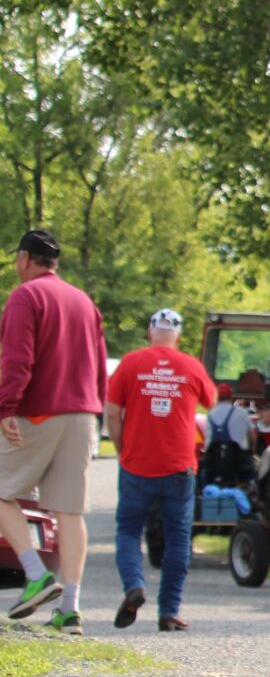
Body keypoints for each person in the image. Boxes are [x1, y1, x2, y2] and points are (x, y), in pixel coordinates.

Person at [1, 230, 108, 635]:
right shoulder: (84, 302)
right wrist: (94, 412)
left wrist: (6, 407)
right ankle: (70, 608)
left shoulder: (26, 297)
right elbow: (99, 365)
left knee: (2, 491)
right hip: (81, 414)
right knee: (69, 511)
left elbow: (17, 358)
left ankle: (36, 575)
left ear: (27, 259)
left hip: (39, 412)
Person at [105, 309, 214, 631]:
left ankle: (134, 586)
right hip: (179, 466)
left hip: (136, 464)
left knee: (128, 531)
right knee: (178, 540)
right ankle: (169, 611)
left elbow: (112, 413)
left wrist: (123, 448)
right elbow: (212, 403)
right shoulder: (191, 366)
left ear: (150, 332)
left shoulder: (130, 363)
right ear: (178, 337)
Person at [202, 382, 254, 483]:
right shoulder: (242, 412)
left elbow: (207, 441)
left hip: (214, 464)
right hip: (239, 464)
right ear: (231, 397)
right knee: (250, 474)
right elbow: (251, 436)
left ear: (217, 397)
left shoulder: (210, 414)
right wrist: (251, 450)